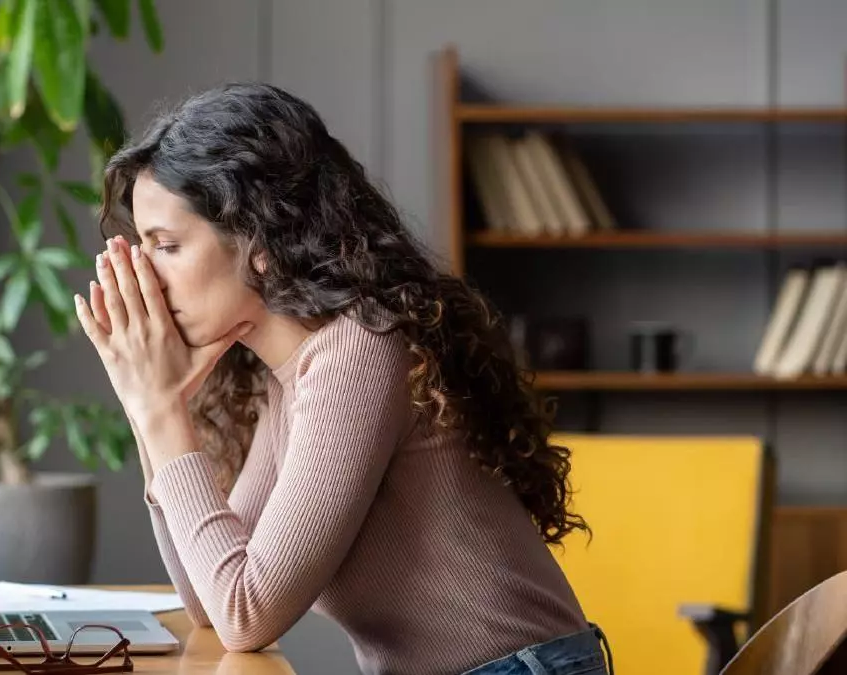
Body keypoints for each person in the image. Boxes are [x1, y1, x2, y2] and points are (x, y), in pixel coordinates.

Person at [72, 82, 612, 675]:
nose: (146, 276)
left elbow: (246, 612)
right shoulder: (290, 376)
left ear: (260, 242)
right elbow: (209, 601)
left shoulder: (359, 351)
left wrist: (160, 411)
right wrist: (148, 405)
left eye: (167, 246)